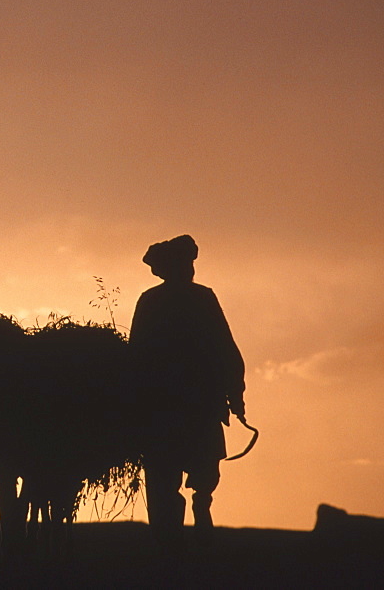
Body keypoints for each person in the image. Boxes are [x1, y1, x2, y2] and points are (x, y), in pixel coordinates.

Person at [129, 235, 246, 553]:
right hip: (192, 404)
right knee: (200, 466)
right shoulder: (200, 299)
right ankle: (194, 514)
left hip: (164, 408)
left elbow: (134, 355)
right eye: (187, 263)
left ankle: (177, 529)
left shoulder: (153, 301)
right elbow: (226, 349)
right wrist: (235, 394)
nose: (191, 269)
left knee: (173, 473)